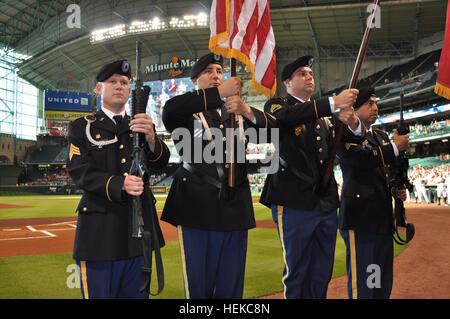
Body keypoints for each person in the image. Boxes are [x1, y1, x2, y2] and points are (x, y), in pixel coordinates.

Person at [161, 53, 277, 299]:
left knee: (231, 284)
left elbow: (276, 130)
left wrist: (246, 109)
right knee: (199, 284)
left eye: (219, 71)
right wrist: (219, 92)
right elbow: (171, 109)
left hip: (235, 204)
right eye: (208, 72)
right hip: (197, 205)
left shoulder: (236, 112)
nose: (215, 75)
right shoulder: (184, 112)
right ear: (195, 80)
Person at [67, 60, 170, 299]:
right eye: (112, 81)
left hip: (139, 233)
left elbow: (160, 163)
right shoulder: (82, 127)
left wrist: (152, 138)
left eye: (124, 82)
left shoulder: (141, 126)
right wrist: (118, 183)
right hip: (99, 236)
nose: (119, 86)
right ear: (98, 88)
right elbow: (79, 170)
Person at [260, 55, 361, 299]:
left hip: (325, 202)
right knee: (297, 269)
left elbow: (351, 139)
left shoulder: (324, 114)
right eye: (302, 74)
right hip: (294, 200)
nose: (309, 78)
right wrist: (333, 102)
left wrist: (354, 122)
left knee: (321, 269)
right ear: (287, 82)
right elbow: (286, 119)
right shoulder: (277, 105)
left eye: (311, 74)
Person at [337, 87, 410, 299]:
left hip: (382, 219)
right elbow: (358, 161)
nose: (375, 108)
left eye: (376, 103)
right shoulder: (345, 134)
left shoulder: (380, 135)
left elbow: (387, 170)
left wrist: (397, 187)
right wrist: (395, 148)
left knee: (380, 281)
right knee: (365, 283)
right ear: (354, 109)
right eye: (369, 103)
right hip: (361, 220)